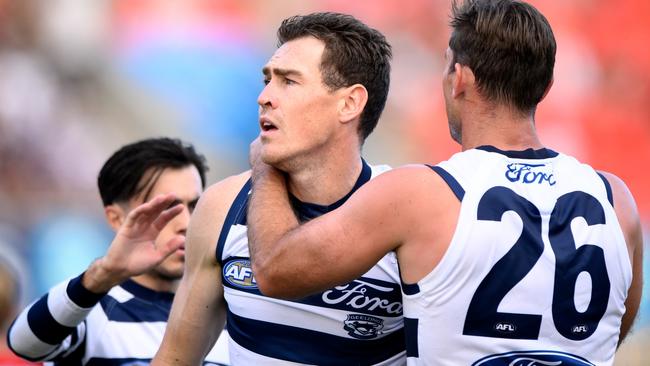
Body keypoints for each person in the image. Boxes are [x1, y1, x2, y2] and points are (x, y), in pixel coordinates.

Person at [246, 1, 644, 365]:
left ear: (460, 79)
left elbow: (276, 271)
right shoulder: (616, 200)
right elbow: (614, 323)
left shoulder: (421, 193)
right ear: (544, 87)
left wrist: (265, 166)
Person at [153, 12, 406, 366]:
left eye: (289, 81)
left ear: (349, 103)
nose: (265, 97)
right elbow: (175, 358)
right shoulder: (222, 207)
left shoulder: (404, 216)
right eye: (267, 80)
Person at [7, 137, 230, 365]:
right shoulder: (87, 310)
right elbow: (22, 343)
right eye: (167, 207)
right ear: (116, 218)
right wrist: (102, 275)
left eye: (194, 205)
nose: (186, 222)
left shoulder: (231, 316)